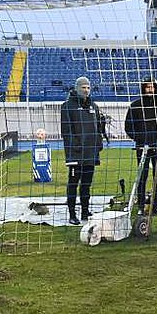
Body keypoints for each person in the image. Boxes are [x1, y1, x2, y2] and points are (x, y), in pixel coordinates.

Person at [60, 76, 104, 225]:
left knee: (87, 184)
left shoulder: (94, 106)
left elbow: (98, 128)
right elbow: (66, 132)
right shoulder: (67, 106)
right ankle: (72, 214)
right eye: (83, 87)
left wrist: (98, 143)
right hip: (76, 154)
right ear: (77, 88)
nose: (86, 90)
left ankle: (85, 211)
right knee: (73, 183)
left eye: (88, 87)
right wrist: (75, 147)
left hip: (91, 153)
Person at [124, 77, 157, 215]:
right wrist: (140, 139)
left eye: (152, 87)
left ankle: (155, 205)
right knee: (142, 176)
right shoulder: (135, 105)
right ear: (143, 89)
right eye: (148, 87)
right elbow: (128, 127)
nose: (150, 89)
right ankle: (141, 206)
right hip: (142, 147)